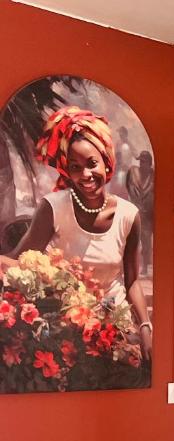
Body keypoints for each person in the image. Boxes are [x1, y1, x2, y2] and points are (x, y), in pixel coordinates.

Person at [0, 106, 151, 359]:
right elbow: (20, 259)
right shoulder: (53, 208)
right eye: (75, 167)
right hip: (66, 331)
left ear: (107, 162)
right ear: (67, 172)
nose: (86, 175)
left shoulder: (128, 215)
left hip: (116, 328)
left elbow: (132, 280)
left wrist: (145, 328)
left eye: (92, 164)